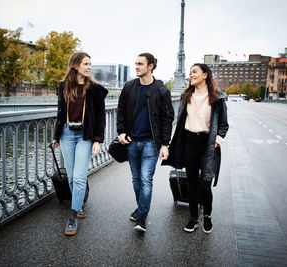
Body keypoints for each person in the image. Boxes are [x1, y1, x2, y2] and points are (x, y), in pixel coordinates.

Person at [162, 63, 229, 234]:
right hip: (190, 143)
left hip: (207, 144)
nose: (191, 75)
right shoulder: (187, 95)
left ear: (205, 75)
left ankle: (207, 216)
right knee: (191, 183)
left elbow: (223, 124)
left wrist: (219, 139)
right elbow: (181, 121)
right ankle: (193, 218)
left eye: (194, 72)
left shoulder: (218, 97)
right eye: (190, 72)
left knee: (205, 184)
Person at [117, 52, 174, 232]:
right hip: (132, 141)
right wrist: (121, 132)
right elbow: (121, 110)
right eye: (135, 64)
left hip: (151, 143)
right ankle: (141, 208)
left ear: (150, 66)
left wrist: (165, 144)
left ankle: (142, 217)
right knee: (136, 180)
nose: (136, 67)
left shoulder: (162, 91)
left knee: (145, 179)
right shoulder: (129, 87)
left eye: (140, 64)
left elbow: (167, 119)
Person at [53, 52, 108, 236]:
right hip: (67, 134)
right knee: (71, 176)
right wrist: (56, 135)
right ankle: (79, 205)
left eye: (90, 63)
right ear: (75, 65)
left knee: (78, 177)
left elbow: (101, 116)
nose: (89, 67)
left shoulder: (94, 88)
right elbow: (60, 113)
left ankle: (73, 215)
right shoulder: (64, 86)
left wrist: (98, 141)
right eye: (86, 63)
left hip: (85, 135)